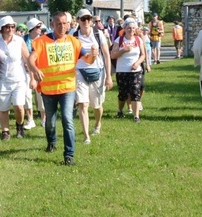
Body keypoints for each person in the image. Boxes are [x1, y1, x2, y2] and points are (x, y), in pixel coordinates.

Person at [28, 11, 95, 165]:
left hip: (67, 88)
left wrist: (94, 55)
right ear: (52, 24)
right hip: (49, 90)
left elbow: (88, 60)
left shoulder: (74, 42)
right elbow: (30, 59)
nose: (62, 26)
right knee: (50, 122)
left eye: (65, 23)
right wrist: (35, 69)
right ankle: (51, 141)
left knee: (67, 119)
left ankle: (69, 155)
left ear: (69, 24)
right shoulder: (41, 42)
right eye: (58, 23)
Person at [73, 9, 113, 144]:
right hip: (79, 72)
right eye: (83, 19)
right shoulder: (73, 35)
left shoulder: (98, 34)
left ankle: (97, 123)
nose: (86, 22)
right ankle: (86, 136)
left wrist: (109, 76)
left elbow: (106, 55)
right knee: (83, 104)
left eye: (89, 19)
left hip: (97, 71)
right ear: (78, 20)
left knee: (96, 105)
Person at [0, 16, 31, 140]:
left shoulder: (19, 41)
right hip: (3, 80)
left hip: (19, 79)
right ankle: (5, 131)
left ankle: (19, 126)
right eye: (7, 27)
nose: (10, 29)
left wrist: (33, 77)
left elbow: (27, 59)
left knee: (19, 106)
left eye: (12, 27)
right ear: (2, 29)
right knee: (3, 108)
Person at [111, 19, 146, 122]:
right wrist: (123, 50)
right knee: (123, 93)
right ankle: (120, 110)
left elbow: (143, 54)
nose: (131, 30)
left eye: (133, 28)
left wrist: (137, 63)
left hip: (136, 71)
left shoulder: (138, 40)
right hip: (122, 70)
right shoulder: (119, 40)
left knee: (135, 92)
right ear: (125, 29)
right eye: (129, 28)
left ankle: (136, 116)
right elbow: (113, 55)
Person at [23, 18, 45, 129]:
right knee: (27, 95)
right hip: (26, 72)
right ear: (31, 29)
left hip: (39, 71)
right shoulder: (24, 40)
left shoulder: (42, 40)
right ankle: (30, 119)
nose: (40, 29)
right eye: (37, 27)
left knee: (40, 95)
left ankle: (43, 119)